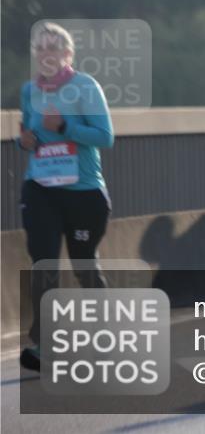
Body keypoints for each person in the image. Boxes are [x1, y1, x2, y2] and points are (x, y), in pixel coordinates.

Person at [17, 22, 115, 372]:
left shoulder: (85, 87)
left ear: (68, 55)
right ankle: (45, 344)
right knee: (43, 263)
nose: (46, 53)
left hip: (83, 193)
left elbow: (105, 137)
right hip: (41, 189)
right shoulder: (29, 90)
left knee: (83, 264)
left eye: (53, 47)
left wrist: (64, 127)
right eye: (40, 48)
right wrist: (24, 141)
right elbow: (27, 132)